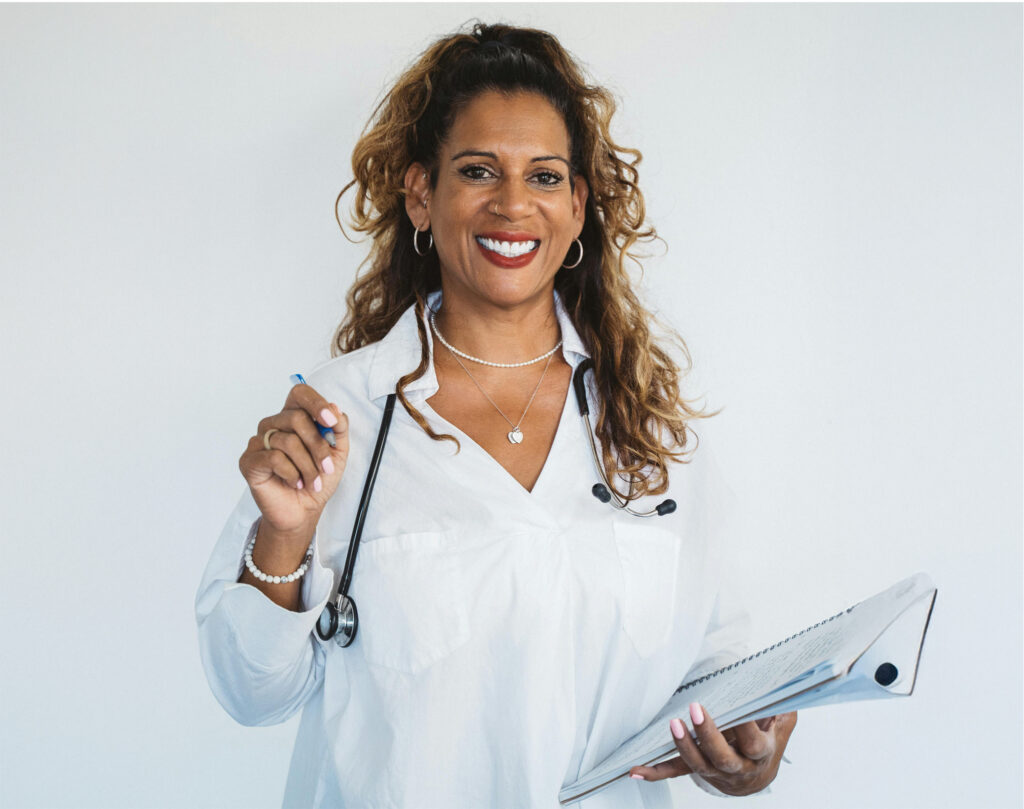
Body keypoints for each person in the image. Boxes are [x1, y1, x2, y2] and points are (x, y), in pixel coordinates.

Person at [195, 21, 796, 808]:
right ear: (422, 195)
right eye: (478, 170)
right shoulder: (344, 418)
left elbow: (715, 659)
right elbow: (251, 692)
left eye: (544, 177)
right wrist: (285, 534)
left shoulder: (647, 428)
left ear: (577, 206)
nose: (513, 204)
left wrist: (748, 755)